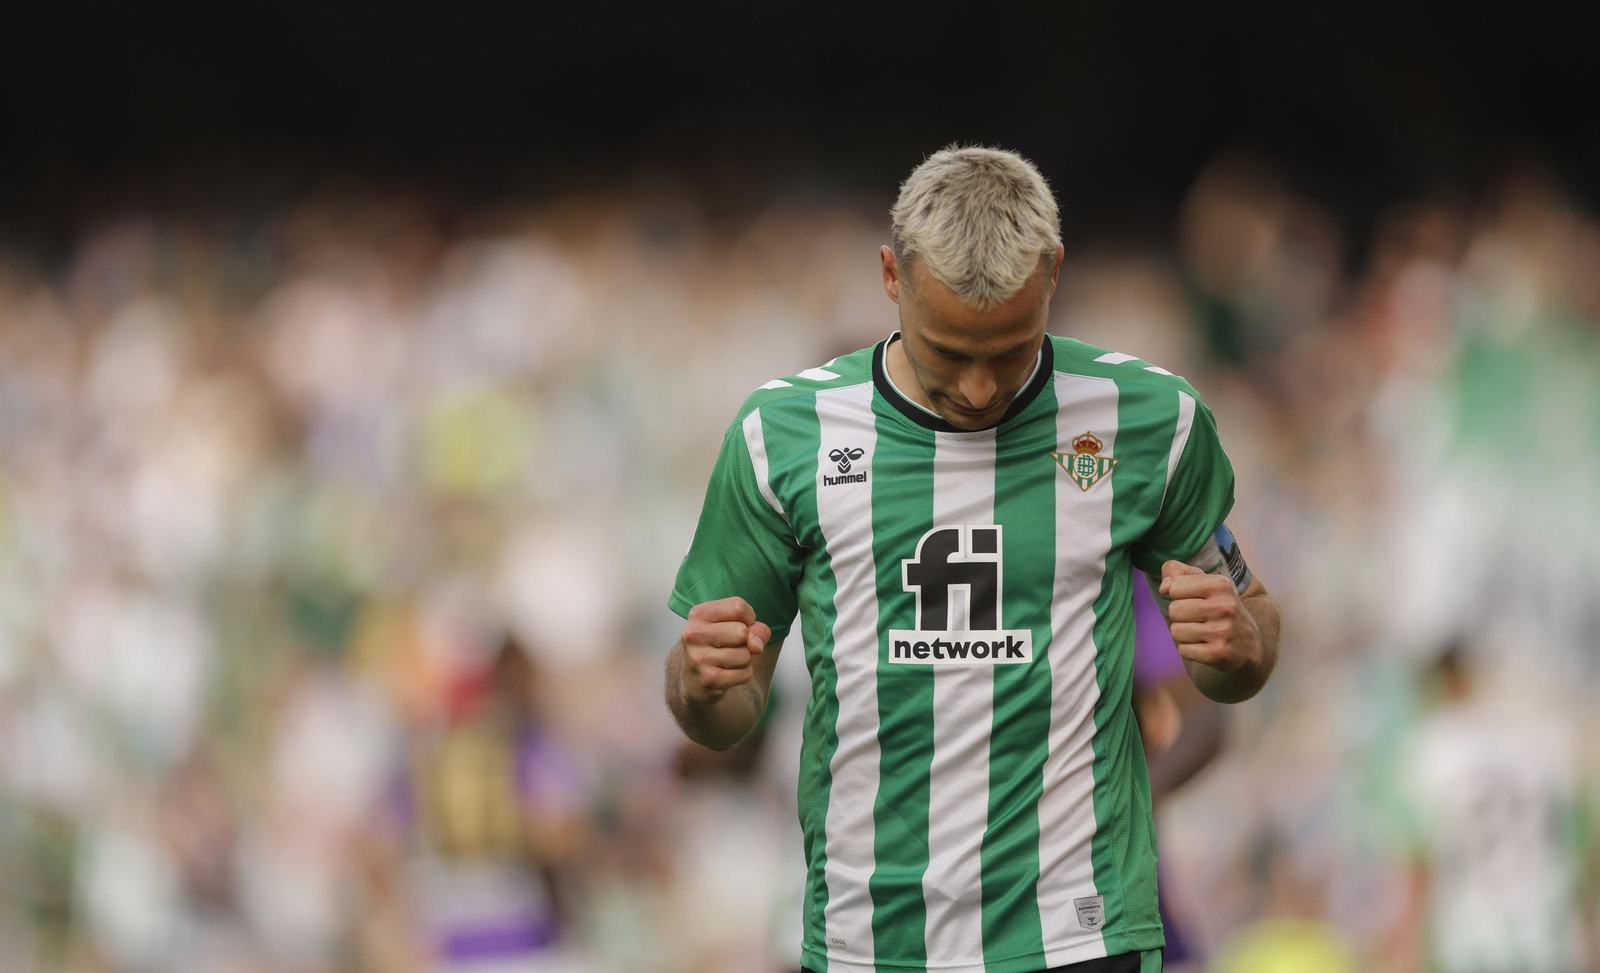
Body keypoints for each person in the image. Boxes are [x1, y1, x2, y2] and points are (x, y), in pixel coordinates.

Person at [664, 146, 1281, 973]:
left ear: (1054, 274)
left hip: (1078, 929)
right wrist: (701, 683)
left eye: (1011, 349)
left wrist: (1242, 651)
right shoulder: (781, 436)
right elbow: (723, 710)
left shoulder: (1150, 422)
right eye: (951, 351)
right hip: (867, 935)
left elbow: (1249, 631)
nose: (983, 387)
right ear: (892, 277)